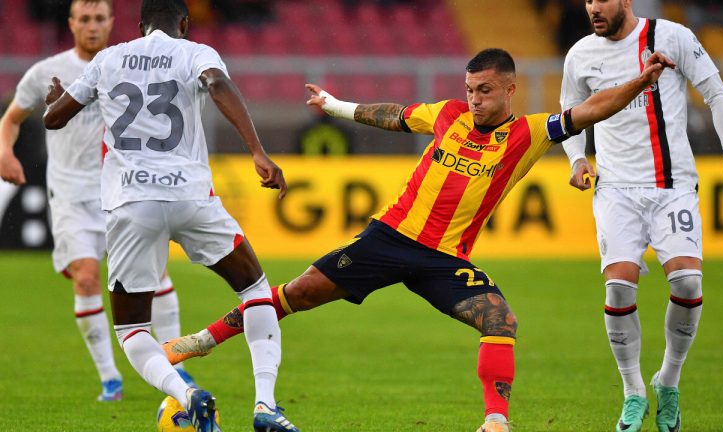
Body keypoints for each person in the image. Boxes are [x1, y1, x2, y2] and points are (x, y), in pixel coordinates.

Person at [161, 47, 675, 432]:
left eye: (486, 91)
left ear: (510, 91)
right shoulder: (448, 114)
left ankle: (496, 421)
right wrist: (335, 105)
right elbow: (394, 115)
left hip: (444, 260)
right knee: (296, 295)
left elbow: (594, 108)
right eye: (471, 89)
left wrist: (641, 79)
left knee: (500, 320)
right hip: (387, 238)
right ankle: (200, 342)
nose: (475, 99)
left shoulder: (531, 133)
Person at [42, 1, 298, 431]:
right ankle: (266, 406)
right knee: (255, 290)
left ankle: (185, 394)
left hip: (131, 204)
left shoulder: (109, 58)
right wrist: (257, 150)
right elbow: (216, 84)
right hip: (191, 198)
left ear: (140, 26)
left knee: (132, 330)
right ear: (184, 23)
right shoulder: (195, 52)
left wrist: (55, 101)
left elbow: (53, 118)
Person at [559, 1, 723, 432]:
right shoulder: (579, 55)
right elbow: (569, 118)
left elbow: (717, 94)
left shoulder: (672, 36)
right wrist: (577, 161)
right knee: (617, 288)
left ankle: (668, 379)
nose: (593, 7)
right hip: (615, 189)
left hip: (672, 185)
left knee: (687, 281)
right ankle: (633, 392)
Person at [0, 0, 195, 401]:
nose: (92, 26)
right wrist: (5, 151)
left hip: (123, 190)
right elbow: (11, 119)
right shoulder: (45, 72)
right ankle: (111, 379)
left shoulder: (125, 62)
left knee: (155, 278)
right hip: (71, 196)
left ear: (111, 23)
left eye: (99, 19)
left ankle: (179, 369)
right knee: (87, 278)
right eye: (84, 19)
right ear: (71, 24)